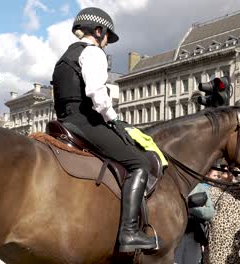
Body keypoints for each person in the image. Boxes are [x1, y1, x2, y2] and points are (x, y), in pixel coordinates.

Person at [51, 7, 159, 252]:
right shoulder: (93, 53)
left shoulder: (64, 57)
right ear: (98, 31)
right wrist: (114, 119)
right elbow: (96, 94)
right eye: (107, 37)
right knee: (139, 163)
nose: (107, 43)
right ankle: (129, 232)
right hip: (85, 122)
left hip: (64, 121)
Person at [202, 163, 240, 264]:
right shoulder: (212, 189)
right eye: (227, 170)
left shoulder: (238, 188)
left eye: (231, 170)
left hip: (237, 236)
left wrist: (238, 174)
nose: (230, 173)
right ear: (220, 174)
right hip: (219, 237)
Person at [174, 169, 216, 264]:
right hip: (175, 236)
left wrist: (190, 208)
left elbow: (210, 213)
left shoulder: (201, 188)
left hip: (193, 235)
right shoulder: (174, 185)